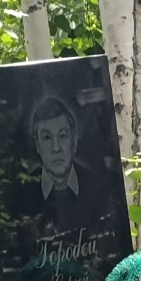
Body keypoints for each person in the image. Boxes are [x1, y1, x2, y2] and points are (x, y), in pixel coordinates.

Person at [28, 92, 95, 235]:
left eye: (62, 136)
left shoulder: (97, 185)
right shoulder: (22, 194)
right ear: (37, 145)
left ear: (74, 141)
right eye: (47, 138)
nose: (56, 148)